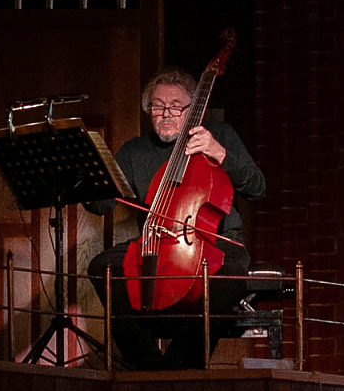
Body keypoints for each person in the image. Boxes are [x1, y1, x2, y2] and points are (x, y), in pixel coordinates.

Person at [85, 67, 266, 370]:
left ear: (194, 109)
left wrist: (219, 152)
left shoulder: (219, 135)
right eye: (157, 106)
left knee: (229, 277)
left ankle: (180, 368)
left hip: (217, 241)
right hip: (155, 242)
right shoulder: (135, 151)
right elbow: (99, 204)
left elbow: (257, 188)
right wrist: (89, 183)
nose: (165, 113)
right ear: (149, 111)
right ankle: (149, 367)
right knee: (101, 267)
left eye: (175, 106)